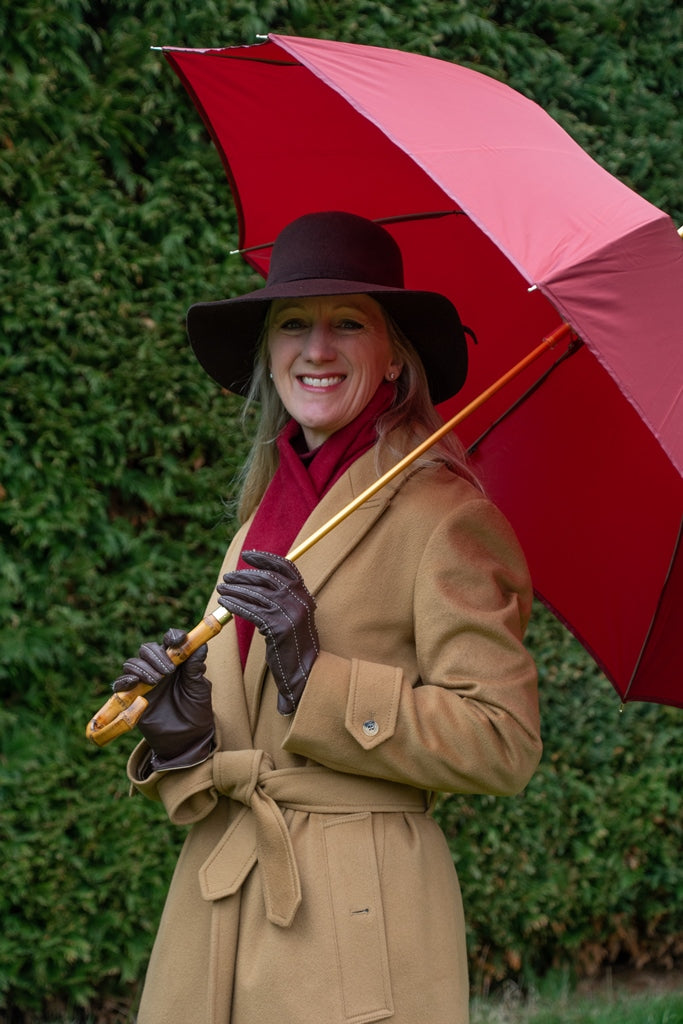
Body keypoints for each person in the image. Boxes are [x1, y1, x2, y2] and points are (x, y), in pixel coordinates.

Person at [113, 211, 542, 1024]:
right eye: (293, 325)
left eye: (348, 323)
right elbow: (254, 745)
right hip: (214, 917)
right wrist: (186, 740)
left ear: (392, 361)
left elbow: (503, 743)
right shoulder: (259, 520)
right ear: (268, 354)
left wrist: (315, 675)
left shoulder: (444, 518)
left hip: (356, 929)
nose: (316, 349)